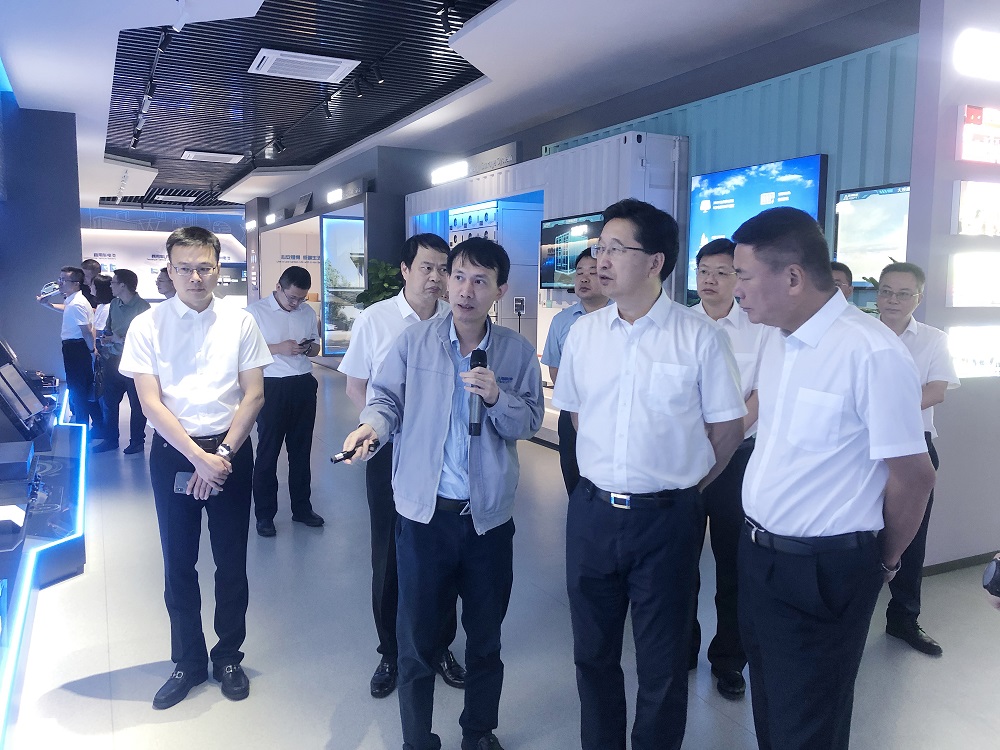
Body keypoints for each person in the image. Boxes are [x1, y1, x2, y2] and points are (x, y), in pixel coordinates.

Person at [731, 207, 936, 750]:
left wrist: (883, 562)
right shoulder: (780, 341)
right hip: (760, 556)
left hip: (824, 569)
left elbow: (914, 475)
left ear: (793, 277)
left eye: (744, 276)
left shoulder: (870, 352)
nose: (736, 290)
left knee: (808, 724)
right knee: (771, 703)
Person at [552, 198, 746, 750]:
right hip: (592, 514)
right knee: (592, 653)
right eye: (599, 248)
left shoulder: (699, 336)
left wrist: (683, 489)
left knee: (663, 660)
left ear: (655, 261)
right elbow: (577, 415)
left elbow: (727, 430)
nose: (601, 259)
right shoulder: (585, 334)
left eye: (616, 249)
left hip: (667, 521)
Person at [342, 237, 544, 750]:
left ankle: (478, 732)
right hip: (424, 518)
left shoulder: (516, 352)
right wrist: (371, 428)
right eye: (458, 277)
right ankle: (417, 739)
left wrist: (497, 397)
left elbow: (529, 421)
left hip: (487, 522)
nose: (465, 290)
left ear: (499, 290)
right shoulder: (414, 343)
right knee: (415, 642)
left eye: (480, 281)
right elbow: (385, 400)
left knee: (485, 639)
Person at [120, 227, 272, 710]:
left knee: (231, 561)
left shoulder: (241, 322)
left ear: (217, 269)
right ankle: (187, 660)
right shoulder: (147, 325)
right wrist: (197, 459)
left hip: (230, 451)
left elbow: (254, 394)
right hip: (175, 454)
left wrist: (220, 456)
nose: (195, 277)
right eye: (184, 268)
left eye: (204, 267)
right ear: (169, 269)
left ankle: (227, 656)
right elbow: (150, 402)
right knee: (178, 562)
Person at [338, 234, 466, 699]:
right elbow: (357, 386)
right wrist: (380, 429)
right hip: (389, 450)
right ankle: (391, 652)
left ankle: (439, 646)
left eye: (443, 269)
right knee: (390, 554)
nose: (436, 277)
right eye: (426, 268)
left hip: (444, 454)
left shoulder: (458, 319)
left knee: (444, 553)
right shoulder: (376, 319)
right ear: (405, 270)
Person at [687, 237, 768, 699]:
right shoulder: (679, 324)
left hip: (737, 459)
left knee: (733, 564)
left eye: (722, 272)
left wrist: (726, 434)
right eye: (704, 271)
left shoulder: (760, 328)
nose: (711, 281)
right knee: (679, 560)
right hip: (685, 459)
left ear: (738, 276)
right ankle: (681, 648)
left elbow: (762, 393)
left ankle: (729, 659)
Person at [876, 261, 959, 656]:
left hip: (913, 444)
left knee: (911, 536)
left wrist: (884, 411)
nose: (893, 300)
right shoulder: (859, 334)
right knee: (859, 532)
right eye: (886, 291)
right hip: (863, 444)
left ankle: (904, 618)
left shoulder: (933, 339)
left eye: (903, 294)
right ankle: (850, 616)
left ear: (918, 298)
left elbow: (936, 391)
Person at [245, 266, 324, 536]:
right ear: (278, 287)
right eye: (292, 297)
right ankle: (265, 515)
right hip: (271, 386)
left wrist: (308, 347)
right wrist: (280, 348)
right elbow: (244, 351)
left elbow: (315, 347)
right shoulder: (254, 313)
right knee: (268, 451)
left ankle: (302, 508)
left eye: (301, 299)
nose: (296, 303)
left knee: (301, 451)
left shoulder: (307, 312)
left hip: (303, 383)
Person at [540, 248, 611, 496]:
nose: (584, 278)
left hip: (612, 414)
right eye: (579, 272)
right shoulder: (562, 321)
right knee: (574, 481)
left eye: (593, 272)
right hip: (572, 413)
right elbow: (555, 368)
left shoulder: (624, 317)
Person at [94, 269, 150, 454]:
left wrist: (120, 339)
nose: (111, 286)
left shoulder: (143, 307)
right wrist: (106, 339)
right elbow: (109, 328)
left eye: (113, 283)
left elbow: (145, 337)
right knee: (109, 402)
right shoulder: (114, 304)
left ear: (123, 285)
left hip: (134, 362)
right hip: (113, 359)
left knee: (136, 404)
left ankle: (137, 441)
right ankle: (110, 439)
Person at [38, 266, 101, 429]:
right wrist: (48, 305)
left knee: (78, 390)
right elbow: (68, 310)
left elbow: (86, 331)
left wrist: (91, 350)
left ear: (76, 283)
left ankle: (81, 427)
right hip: (76, 348)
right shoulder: (73, 300)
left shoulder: (77, 303)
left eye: (64, 280)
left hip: (77, 349)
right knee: (82, 388)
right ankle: (94, 426)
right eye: (59, 279)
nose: (59, 283)